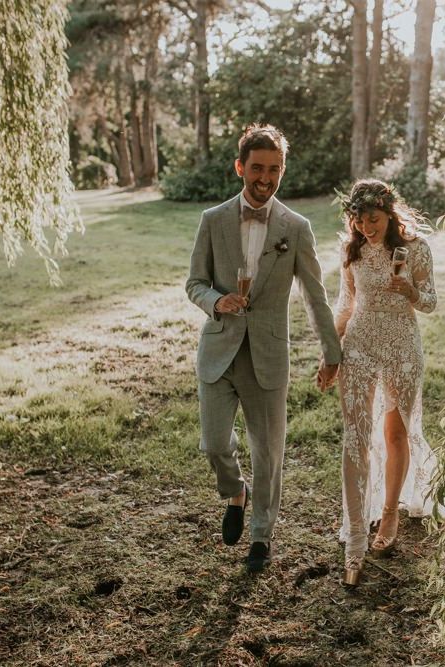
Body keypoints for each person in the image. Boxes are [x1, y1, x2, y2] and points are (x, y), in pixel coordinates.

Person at [186, 124, 340, 572]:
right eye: (257, 168)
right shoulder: (212, 221)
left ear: (282, 170)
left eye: (274, 169)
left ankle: (261, 536)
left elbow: (315, 295)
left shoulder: (297, 227)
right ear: (240, 167)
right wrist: (217, 301)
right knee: (214, 443)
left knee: (268, 453)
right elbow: (195, 282)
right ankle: (235, 491)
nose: (265, 178)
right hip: (219, 351)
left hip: (268, 355)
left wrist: (332, 352)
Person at [330, 179, 437, 586]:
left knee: (397, 433)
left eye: (372, 219)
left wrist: (410, 289)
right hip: (359, 344)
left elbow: (430, 301)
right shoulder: (351, 249)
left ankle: (390, 510)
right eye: (358, 220)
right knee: (355, 435)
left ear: (389, 213)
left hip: (402, 347)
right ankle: (356, 526)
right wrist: (332, 350)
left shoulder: (416, 249)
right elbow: (346, 303)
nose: (365, 228)